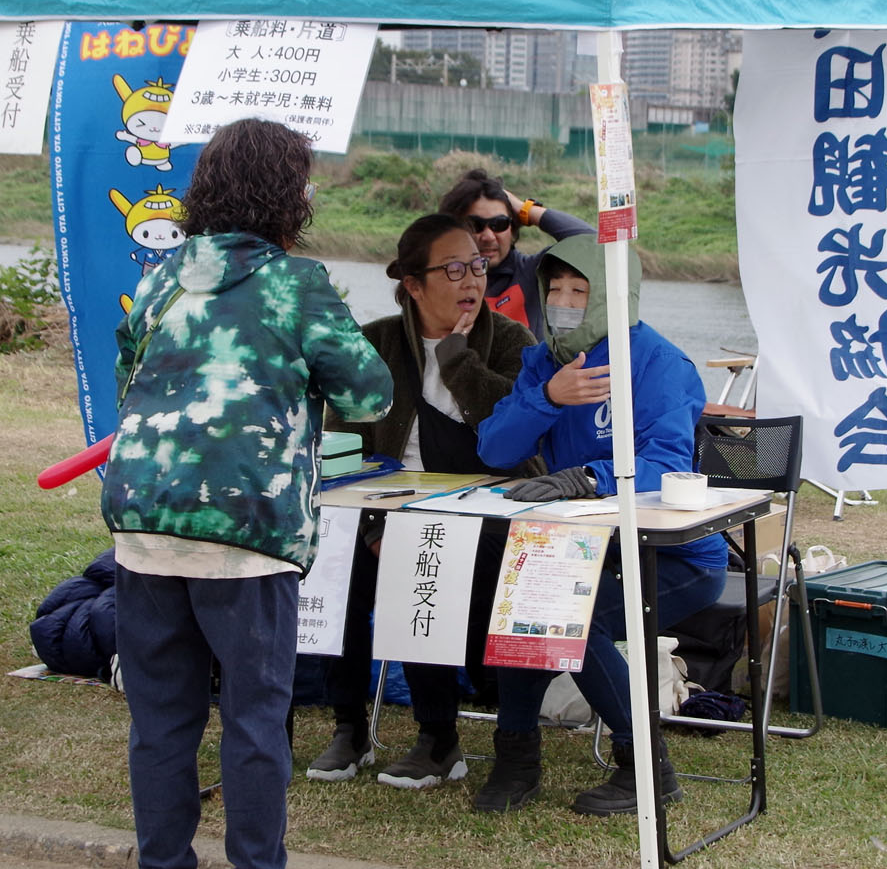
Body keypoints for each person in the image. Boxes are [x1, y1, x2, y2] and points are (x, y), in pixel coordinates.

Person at [101, 118, 391, 869]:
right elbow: (369, 395)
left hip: (144, 522)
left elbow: (132, 380)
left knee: (162, 717)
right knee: (256, 713)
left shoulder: (162, 279)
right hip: (245, 524)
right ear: (286, 195)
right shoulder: (295, 284)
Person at [472, 235, 721, 815]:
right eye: (554, 288)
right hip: (585, 547)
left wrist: (584, 476)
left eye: (579, 291)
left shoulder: (659, 363)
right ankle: (516, 759)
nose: (562, 301)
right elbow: (494, 448)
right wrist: (548, 399)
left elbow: (667, 463)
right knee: (525, 610)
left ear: (615, 296)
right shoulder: (545, 360)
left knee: (566, 621)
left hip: (673, 554)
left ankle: (647, 767)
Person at [306, 214, 536, 788]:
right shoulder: (378, 341)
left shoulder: (512, 341)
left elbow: (513, 437)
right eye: (454, 268)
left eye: (479, 266)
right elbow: (344, 446)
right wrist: (371, 527)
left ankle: (439, 739)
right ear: (413, 283)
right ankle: (349, 727)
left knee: (418, 558)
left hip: (485, 511)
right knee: (333, 570)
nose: (471, 280)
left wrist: (457, 357)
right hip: (384, 507)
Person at [438, 168, 592, 333]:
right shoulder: (438, 278)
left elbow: (590, 242)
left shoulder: (532, 272)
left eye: (499, 224)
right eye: (476, 225)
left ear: (513, 229)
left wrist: (525, 209)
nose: (489, 236)